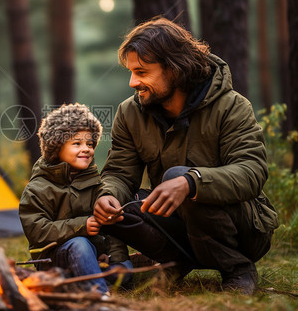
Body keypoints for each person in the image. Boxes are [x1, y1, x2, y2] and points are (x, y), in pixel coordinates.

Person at [93, 17, 279, 295]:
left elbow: (252, 172)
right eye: (131, 72)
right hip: (179, 225)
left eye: (142, 72)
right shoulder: (129, 113)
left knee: (180, 179)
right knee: (122, 207)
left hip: (243, 231)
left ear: (174, 69)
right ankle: (176, 261)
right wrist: (108, 195)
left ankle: (237, 269)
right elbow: (120, 173)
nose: (133, 82)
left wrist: (193, 182)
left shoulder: (232, 106)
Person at [19, 103, 133, 295]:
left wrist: (116, 260)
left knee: (124, 274)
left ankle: (94, 274)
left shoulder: (95, 183)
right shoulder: (38, 188)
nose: (86, 149)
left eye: (90, 144)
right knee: (79, 244)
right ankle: (99, 296)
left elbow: (109, 228)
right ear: (56, 146)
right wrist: (81, 225)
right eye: (77, 143)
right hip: (53, 258)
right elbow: (37, 231)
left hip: (94, 254)